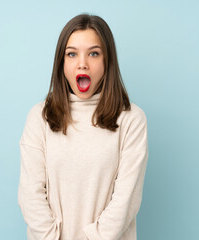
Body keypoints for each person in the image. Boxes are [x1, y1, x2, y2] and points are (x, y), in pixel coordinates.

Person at [18, 13, 148, 240]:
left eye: (94, 53)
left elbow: (126, 201)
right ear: (62, 62)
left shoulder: (131, 119)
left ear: (108, 61)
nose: (82, 63)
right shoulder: (39, 117)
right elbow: (31, 196)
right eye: (72, 54)